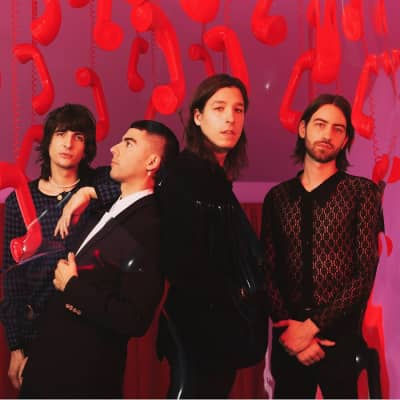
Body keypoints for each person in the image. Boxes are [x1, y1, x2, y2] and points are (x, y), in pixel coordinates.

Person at [18, 120, 179, 398]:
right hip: (49, 365)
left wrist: (72, 286)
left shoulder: (148, 226)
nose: (114, 148)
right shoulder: (109, 206)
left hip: (83, 378)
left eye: (129, 143)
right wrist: (38, 355)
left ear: (152, 162)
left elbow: (134, 318)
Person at [260, 94, 383, 398]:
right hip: (288, 336)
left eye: (338, 129)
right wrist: (291, 332)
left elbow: (364, 274)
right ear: (303, 128)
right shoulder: (277, 197)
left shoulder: (362, 192)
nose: (327, 134)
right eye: (320, 124)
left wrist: (311, 328)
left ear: (345, 140)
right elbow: (267, 271)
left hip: (338, 336)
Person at [156, 74, 269, 398]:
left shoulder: (215, 177)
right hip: (198, 328)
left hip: (214, 329)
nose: (230, 118)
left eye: (238, 110)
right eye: (219, 108)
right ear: (198, 116)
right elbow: (181, 261)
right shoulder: (184, 172)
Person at [0, 103, 119, 390]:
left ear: (87, 147)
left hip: (92, 323)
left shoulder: (101, 181)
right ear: (48, 140)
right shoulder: (21, 200)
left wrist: (87, 193)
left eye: (78, 137)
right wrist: (16, 345)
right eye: (61, 134)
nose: (68, 143)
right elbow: (12, 276)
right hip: (39, 327)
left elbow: (143, 183)